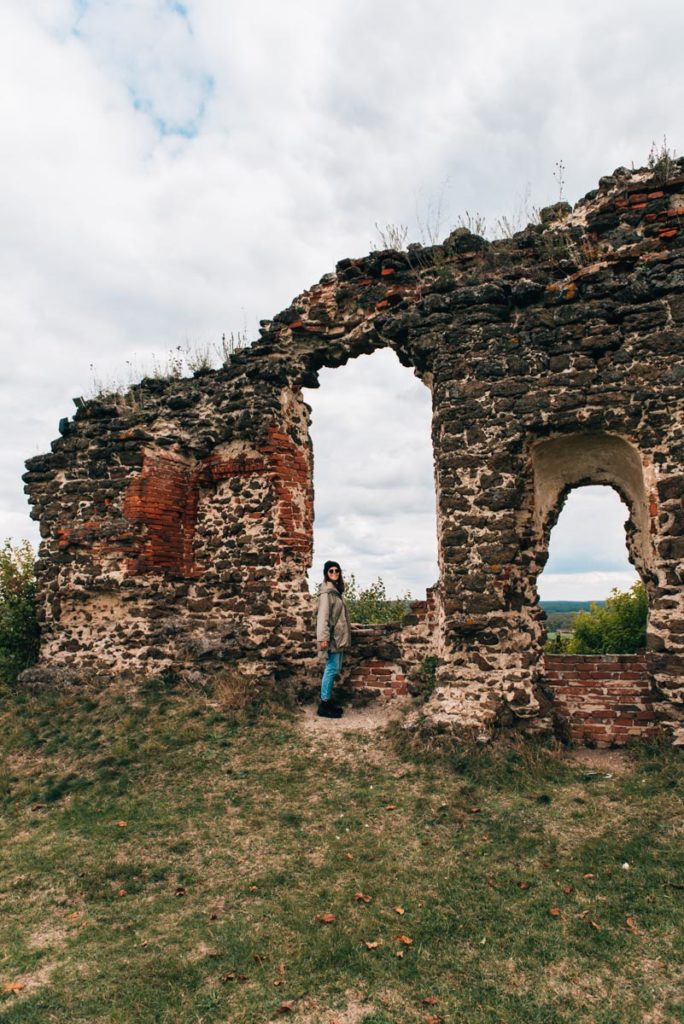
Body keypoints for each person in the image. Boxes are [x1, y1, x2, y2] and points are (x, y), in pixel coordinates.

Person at [316, 560, 352, 718]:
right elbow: (323, 616)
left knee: (334, 668)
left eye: (337, 571)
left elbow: (339, 614)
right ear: (326, 573)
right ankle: (324, 704)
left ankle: (327, 701)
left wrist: (351, 625)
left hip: (338, 635)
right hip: (331, 637)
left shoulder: (336, 591)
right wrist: (323, 638)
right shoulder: (327, 593)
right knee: (331, 669)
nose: (334, 573)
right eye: (331, 571)